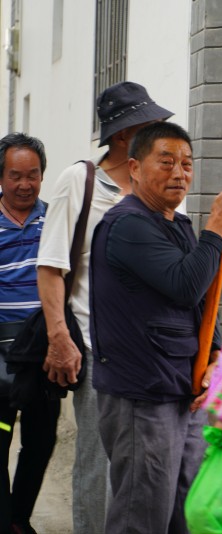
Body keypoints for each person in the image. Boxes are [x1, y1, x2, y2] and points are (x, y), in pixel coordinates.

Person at [89, 121, 222, 533]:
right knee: (141, 516)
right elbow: (184, 285)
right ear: (136, 167)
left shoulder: (176, 224)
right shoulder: (128, 224)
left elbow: (203, 299)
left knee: (184, 511)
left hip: (182, 389)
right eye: (167, 161)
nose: (179, 172)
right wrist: (217, 225)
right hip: (143, 397)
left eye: (187, 163)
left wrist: (213, 354)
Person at [36, 81, 173, 534]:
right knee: (98, 463)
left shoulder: (152, 187)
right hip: (96, 348)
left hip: (147, 352)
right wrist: (60, 338)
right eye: (150, 126)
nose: (158, 134)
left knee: (139, 466)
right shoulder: (80, 181)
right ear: (123, 135)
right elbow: (52, 266)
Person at [0, 134, 54, 534]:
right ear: (1, 178)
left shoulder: (55, 221)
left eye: (32, 175)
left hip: (43, 355)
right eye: (15, 176)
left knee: (40, 442)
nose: (24, 184)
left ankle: (19, 519)